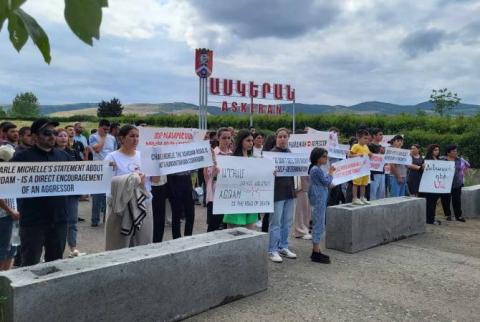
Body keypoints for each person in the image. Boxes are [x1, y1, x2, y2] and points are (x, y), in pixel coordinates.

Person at [11, 118, 71, 266]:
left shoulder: (64, 157)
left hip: (59, 219)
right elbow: (7, 181)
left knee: (56, 264)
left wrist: (107, 168)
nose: (52, 136)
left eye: (54, 132)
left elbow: (81, 178)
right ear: (35, 136)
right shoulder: (21, 158)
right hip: (33, 221)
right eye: (46, 133)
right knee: (30, 264)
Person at [104, 125, 153, 250]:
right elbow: (106, 184)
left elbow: (154, 181)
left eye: (137, 136)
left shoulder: (144, 156)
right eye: (131, 136)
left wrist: (159, 167)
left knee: (143, 244)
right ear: (122, 138)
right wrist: (132, 179)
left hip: (143, 204)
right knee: (118, 245)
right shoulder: (112, 157)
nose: (135, 139)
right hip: (121, 206)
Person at [55, 128, 86, 257]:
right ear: (55, 138)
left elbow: (81, 170)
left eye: (65, 136)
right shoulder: (51, 154)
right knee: (57, 223)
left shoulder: (73, 153)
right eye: (60, 135)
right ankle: (56, 251)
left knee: (72, 221)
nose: (63, 138)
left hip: (72, 193)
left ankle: (73, 248)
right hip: (56, 194)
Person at [268, 128, 297, 263]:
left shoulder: (291, 153)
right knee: (276, 222)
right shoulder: (271, 154)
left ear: (288, 138)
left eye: (285, 136)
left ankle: (283, 246)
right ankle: (272, 249)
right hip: (276, 192)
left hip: (290, 191)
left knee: (287, 222)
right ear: (276, 138)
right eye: (280, 136)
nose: (283, 139)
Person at [222, 130, 258, 229]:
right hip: (235, 199)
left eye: (252, 140)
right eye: (248, 140)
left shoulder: (254, 160)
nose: (251, 143)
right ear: (241, 141)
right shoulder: (231, 159)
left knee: (250, 232)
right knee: (234, 233)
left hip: (250, 199)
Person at [308, 147, 335, 264]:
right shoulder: (316, 170)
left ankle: (317, 249)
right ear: (317, 158)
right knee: (318, 224)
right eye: (324, 156)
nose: (326, 159)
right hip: (318, 198)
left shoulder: (317, 169)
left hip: (320, 197)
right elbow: (326, 182)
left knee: (319, 223)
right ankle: (315, 251)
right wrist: (331, 173)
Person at [89, 119, 117, 227]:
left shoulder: (113, 138)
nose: (106, 131)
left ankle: (107, 219)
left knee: (109, 194)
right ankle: (95, 220)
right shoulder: (93, 137)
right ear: (99, 127)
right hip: (98, 168)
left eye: (108, 129)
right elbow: (97, 150)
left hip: (110, 168)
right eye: (104, 129)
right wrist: (103, 137)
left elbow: (114, 152)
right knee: (97, 195)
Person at [204, 127, 232, 232]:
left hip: (228, 195)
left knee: (225, 225)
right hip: (215, 195)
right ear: (218, 138)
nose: (226, 140)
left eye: (229, 138)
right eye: (224, 138)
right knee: (213, 225)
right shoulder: (213, 154)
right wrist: (214, 173)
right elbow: (207, 175)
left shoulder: (232, 155)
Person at [0, 145, 20, 270]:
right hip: (4, 216)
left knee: (13, 246)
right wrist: (10, 210)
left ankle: (7, 276)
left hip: (14, 215)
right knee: (3, 248)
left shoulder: (12, 172)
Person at [440, 145, 467, 222]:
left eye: (456, 151)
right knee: (445, 199)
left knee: (457, 200)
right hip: (445, 183)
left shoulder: (459, 160)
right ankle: (447, 215)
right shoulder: (442, 159)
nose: (455, 152)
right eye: (453, 151)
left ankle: (458, 216)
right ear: (448, 152)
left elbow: (464, 168)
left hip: (457, 183)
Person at [421, 144, 444, 225]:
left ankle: (432, 218)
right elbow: (423, 170)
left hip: (436, 185)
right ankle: (429, 219)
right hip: (428, 186)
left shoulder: (439, 160)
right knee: (430, 202)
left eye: (438, 150)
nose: (437, 151)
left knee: (434, 202)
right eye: (435, 150)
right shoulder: (427, 160)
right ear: (431, 151)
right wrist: (423, 167)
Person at [350, 129, 371, 205]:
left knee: (364, 184)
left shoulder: (366, 147)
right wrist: (357, 155)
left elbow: (368, 154)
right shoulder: (356, 146)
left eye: (367, 138)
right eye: (364, 138)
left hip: (365, 168)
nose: (366, 140)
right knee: (356, 183)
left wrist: (370, 155)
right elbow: (349, 155)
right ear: (359, 138)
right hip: (357, 168)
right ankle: (355, 198)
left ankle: (362, 197)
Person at [368, 128, 386, 200]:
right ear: (374, 136)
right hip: (373, 173)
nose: (382, 136)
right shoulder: (369, 146)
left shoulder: (382, 147)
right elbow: (369, 158)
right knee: (373, 193)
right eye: (380, 135)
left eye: (382, 135)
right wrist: (379, 153)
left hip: (382, 172)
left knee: (381, 194)